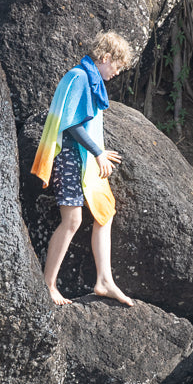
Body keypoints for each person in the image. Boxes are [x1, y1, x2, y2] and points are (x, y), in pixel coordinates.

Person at [31, 31, 135, 307]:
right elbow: (72, 123)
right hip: (67, 156)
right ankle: (49, 284)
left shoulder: (91, 80)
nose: (117, 72)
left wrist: (100, 150)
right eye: (117, 66)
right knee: (73, 221)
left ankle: (104, 280)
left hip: (84, 158)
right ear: (105, 57)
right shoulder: (79, 77)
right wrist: (98, 152)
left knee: (105, 211)